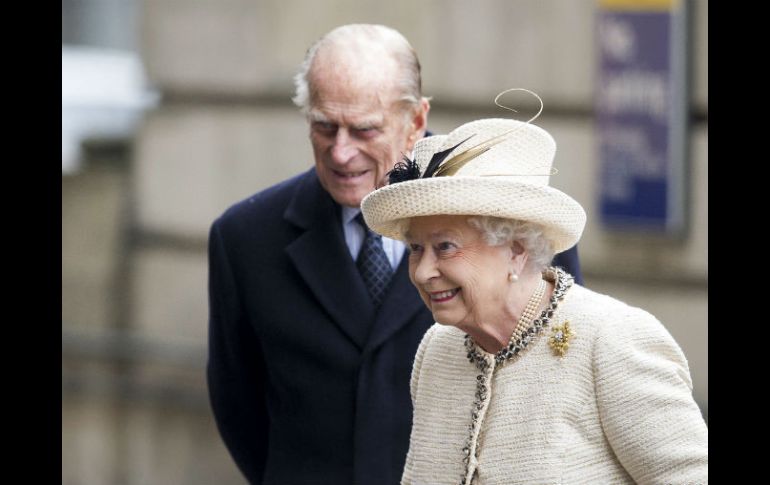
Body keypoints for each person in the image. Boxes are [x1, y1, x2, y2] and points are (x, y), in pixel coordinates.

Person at [207, 25, 583, 485]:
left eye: (364, 130)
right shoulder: (245, 237)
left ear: (416, 121)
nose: (341, 153)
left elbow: (561, 378)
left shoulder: (516, 222)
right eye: (324, 127)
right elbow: (238, 406)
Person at [360, 114, 708, 484]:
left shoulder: (610, 340)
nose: (422, 271)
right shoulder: (438, 350)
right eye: (416, 248)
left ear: (516, 249)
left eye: (445, 247)